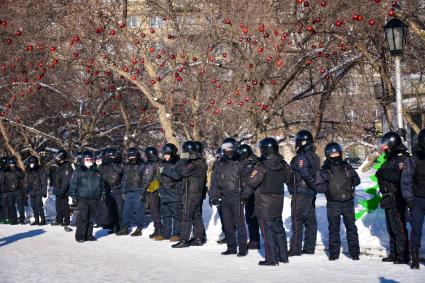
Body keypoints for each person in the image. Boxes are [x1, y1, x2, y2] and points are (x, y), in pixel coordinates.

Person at [241, 137, 292, 266]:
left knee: (267, 231)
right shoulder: (283, 164)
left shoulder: (261, 166)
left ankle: (271, 259)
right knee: (279, 229)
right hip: (278, 201)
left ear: (265, 150)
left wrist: (244, 196)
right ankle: (283, 256)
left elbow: (251, 182)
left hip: (264, 203)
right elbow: (290, 179)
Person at [314, 142, 361, 261]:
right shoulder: (324, 170)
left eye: (337, 153)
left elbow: (357, 179)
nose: (335, 156)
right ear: (328, 155)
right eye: (332, 154)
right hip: (333, 203)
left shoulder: (347, 166)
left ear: (340, 153)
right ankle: (334, 253)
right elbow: (318, 186)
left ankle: (355, 252)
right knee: (333, 229)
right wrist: (328, 187)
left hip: (347, 202)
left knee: (351, 228)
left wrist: (352, 180)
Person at [375, 132, 410, 264]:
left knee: (399, 227)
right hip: (388, 196)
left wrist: (383, 173)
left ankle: (403, 255)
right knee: (391, 227)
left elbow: (401, 177)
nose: (384, 148)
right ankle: (394, 253)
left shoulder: (402, 157)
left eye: (385, 145)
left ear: (392, 143)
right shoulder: (391, 158)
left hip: (397, 196)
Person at [210, 139, 248, 256]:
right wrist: (213, 196)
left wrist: (244, 195)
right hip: (224, 196)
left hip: (237, 195)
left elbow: (247, 181)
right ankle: (231, 247)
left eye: (229, 148)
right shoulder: (220, 163)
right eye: (225, 149)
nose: (227, 151)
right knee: (227, 223)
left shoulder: (241, 162)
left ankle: (243, 248)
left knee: (239, 223)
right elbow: (214, 181)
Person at [168, 141, 208, 248]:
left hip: (191, 192)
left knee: (186, 215)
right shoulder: (199, 162)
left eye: (185, 151)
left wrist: (182, 159)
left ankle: (184, 240)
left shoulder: (196, 164)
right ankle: (199, 238)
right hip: (194, 192)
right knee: (196, 215)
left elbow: (182, 171)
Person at [288, 130, 320, 256]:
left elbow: (304, 172)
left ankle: (295, 249)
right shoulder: (314, 155)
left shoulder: (303, 156)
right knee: (310, 220)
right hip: (309, 192)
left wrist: (313, 184)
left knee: (297, 219)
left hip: (302, 191)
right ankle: (309, 247)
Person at [401, 128, 425, 269]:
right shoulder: (413, 159)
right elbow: (406, 180)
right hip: (417, 200)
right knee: (416, 230)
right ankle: (414, 257)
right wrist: (409, 198)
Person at [69, 151, 105, 242]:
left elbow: (102, 184)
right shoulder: (78, 171)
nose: (89, 161)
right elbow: (73, 184)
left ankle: (88, 235)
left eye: (90, 159)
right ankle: (80, 236)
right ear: (83, 160)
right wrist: (73, 196)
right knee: (83, 217)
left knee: (91, 218)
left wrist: (102, 194)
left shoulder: (96, 170)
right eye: (87, 159)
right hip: (83, 198)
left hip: (94, 198)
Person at [155, 143, 182, 241]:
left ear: (172, 153)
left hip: (175, 193)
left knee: (176, 215)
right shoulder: (162, 163)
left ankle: (177, 234)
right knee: (165, 214)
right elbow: (159, 177)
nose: (165, 156)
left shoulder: (179, 162)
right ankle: (165, 233)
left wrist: (164, 170)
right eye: (164, 154)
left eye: (167, 154)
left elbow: (178, 176)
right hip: (164, 193)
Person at [117, 147, 146, 236]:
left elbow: (145, 179)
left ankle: (139, 228)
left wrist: (142, 192)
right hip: (128, 191)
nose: (131, 158)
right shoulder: (127, 166)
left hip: (138, 190)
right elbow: (124, 179)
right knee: (126, 210)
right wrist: (123, 191)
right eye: (130, 156)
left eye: (133, 156)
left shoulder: (142, 165)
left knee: (139, 210)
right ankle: (125, 227)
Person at [238, 144, 260, 250]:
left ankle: (255, 241)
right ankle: (253, 239)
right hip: (249, 193)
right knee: (250, 218)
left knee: (252, 218)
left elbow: (249, 180)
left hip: (253, 194)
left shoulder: (251, 163)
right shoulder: (250, 162)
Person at [102, 148, 124, 233]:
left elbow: (120, 171)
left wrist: (114, 163)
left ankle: (121, 226)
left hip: (117, 189)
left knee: (119, 209)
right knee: (111, 209)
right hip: (108, 189)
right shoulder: (104, 166)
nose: (110, 158)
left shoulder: (119, 164)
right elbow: (102, 177)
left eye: (112, 156)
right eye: (109, 156)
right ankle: (114, 225)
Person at [143, 146, 162, 239]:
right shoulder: (161, 161)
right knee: (162, 210)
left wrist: (142, 191)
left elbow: (147, 179)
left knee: (154, 210)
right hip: (163, 188)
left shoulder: (150, 164)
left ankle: (158, 229)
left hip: (153, 187)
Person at [52, 150, 73, 226]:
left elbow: (66, 180)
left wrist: (62, 191)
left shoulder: (67, 167)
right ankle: (59, 219)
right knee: (58, 206)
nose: (56, 160)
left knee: (64, 206)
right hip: (58, 189)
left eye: (58, 158)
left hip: (64, 191)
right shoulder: (60, 166)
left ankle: (66, 221)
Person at [25, 156, 47, 226]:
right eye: (30, 162)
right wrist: (27, 190)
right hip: (31, 190)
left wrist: (44, 191)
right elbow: (27, 181)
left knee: (39, 205)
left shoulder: (39, 170)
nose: (31, 164)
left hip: (38, 190)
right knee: (33, 206)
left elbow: (43, 181)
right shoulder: (28, 170)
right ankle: (36, 219)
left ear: (35, 162)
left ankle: (43, 220)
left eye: (32, 162)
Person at [4, 158, 25, 225]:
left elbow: (22, 176)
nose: (11, 165)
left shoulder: (18, 169)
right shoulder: (6, 171)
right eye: (10, 164)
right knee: (11, 206)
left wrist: (15, 170)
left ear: (15, 163)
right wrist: (4, 191)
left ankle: (22, 219)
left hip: (18, 190)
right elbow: (3, 181)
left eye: (13, 163)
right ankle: (14, 220)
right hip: (9, 191)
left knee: (20, 206)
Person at [94, 150, 111, 228]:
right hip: (96, 189)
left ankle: (105, 222)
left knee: (104, 207)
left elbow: (106, 179)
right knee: (98, 207)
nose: (98, 161)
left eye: (99, 160)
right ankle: (98, 221)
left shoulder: (105, 167)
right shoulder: (94, 167)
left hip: (104, 188)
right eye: (96, 160)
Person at [0, 156, 9, 224]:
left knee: (5, 204)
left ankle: (6, 217)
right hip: (2, 189)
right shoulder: (1, 170)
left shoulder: (7, 170)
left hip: (5, 190)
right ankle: (2, 217)